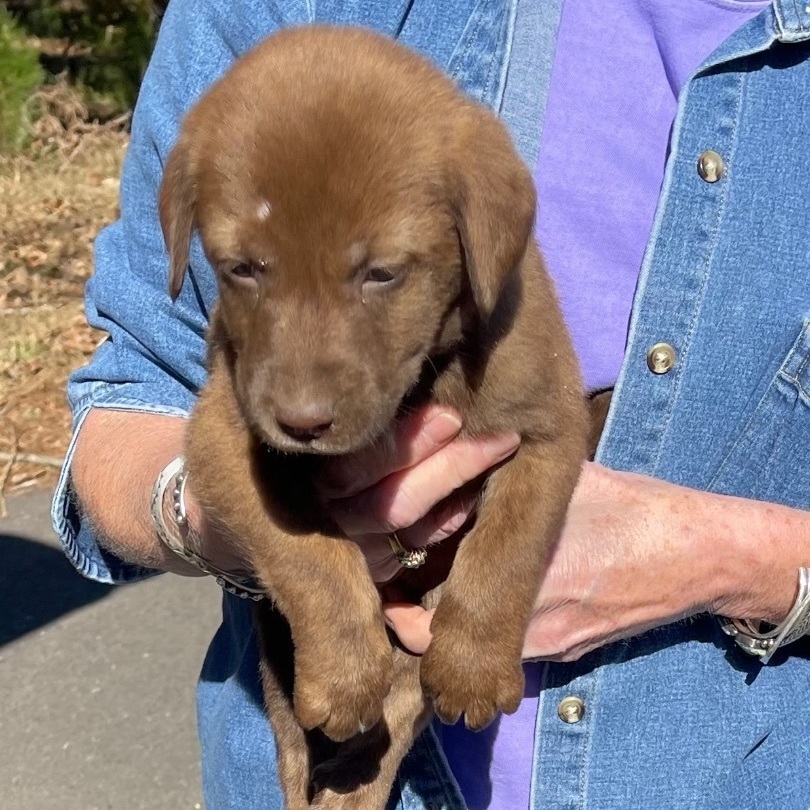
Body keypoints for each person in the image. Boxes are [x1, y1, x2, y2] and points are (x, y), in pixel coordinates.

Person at [53, 0, 810, 807]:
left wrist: (740, 559)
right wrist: (251, 541)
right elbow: (137, 390)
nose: (302, 396)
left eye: (381, 275)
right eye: (245, 269)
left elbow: (544, 433)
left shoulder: (498, 297)